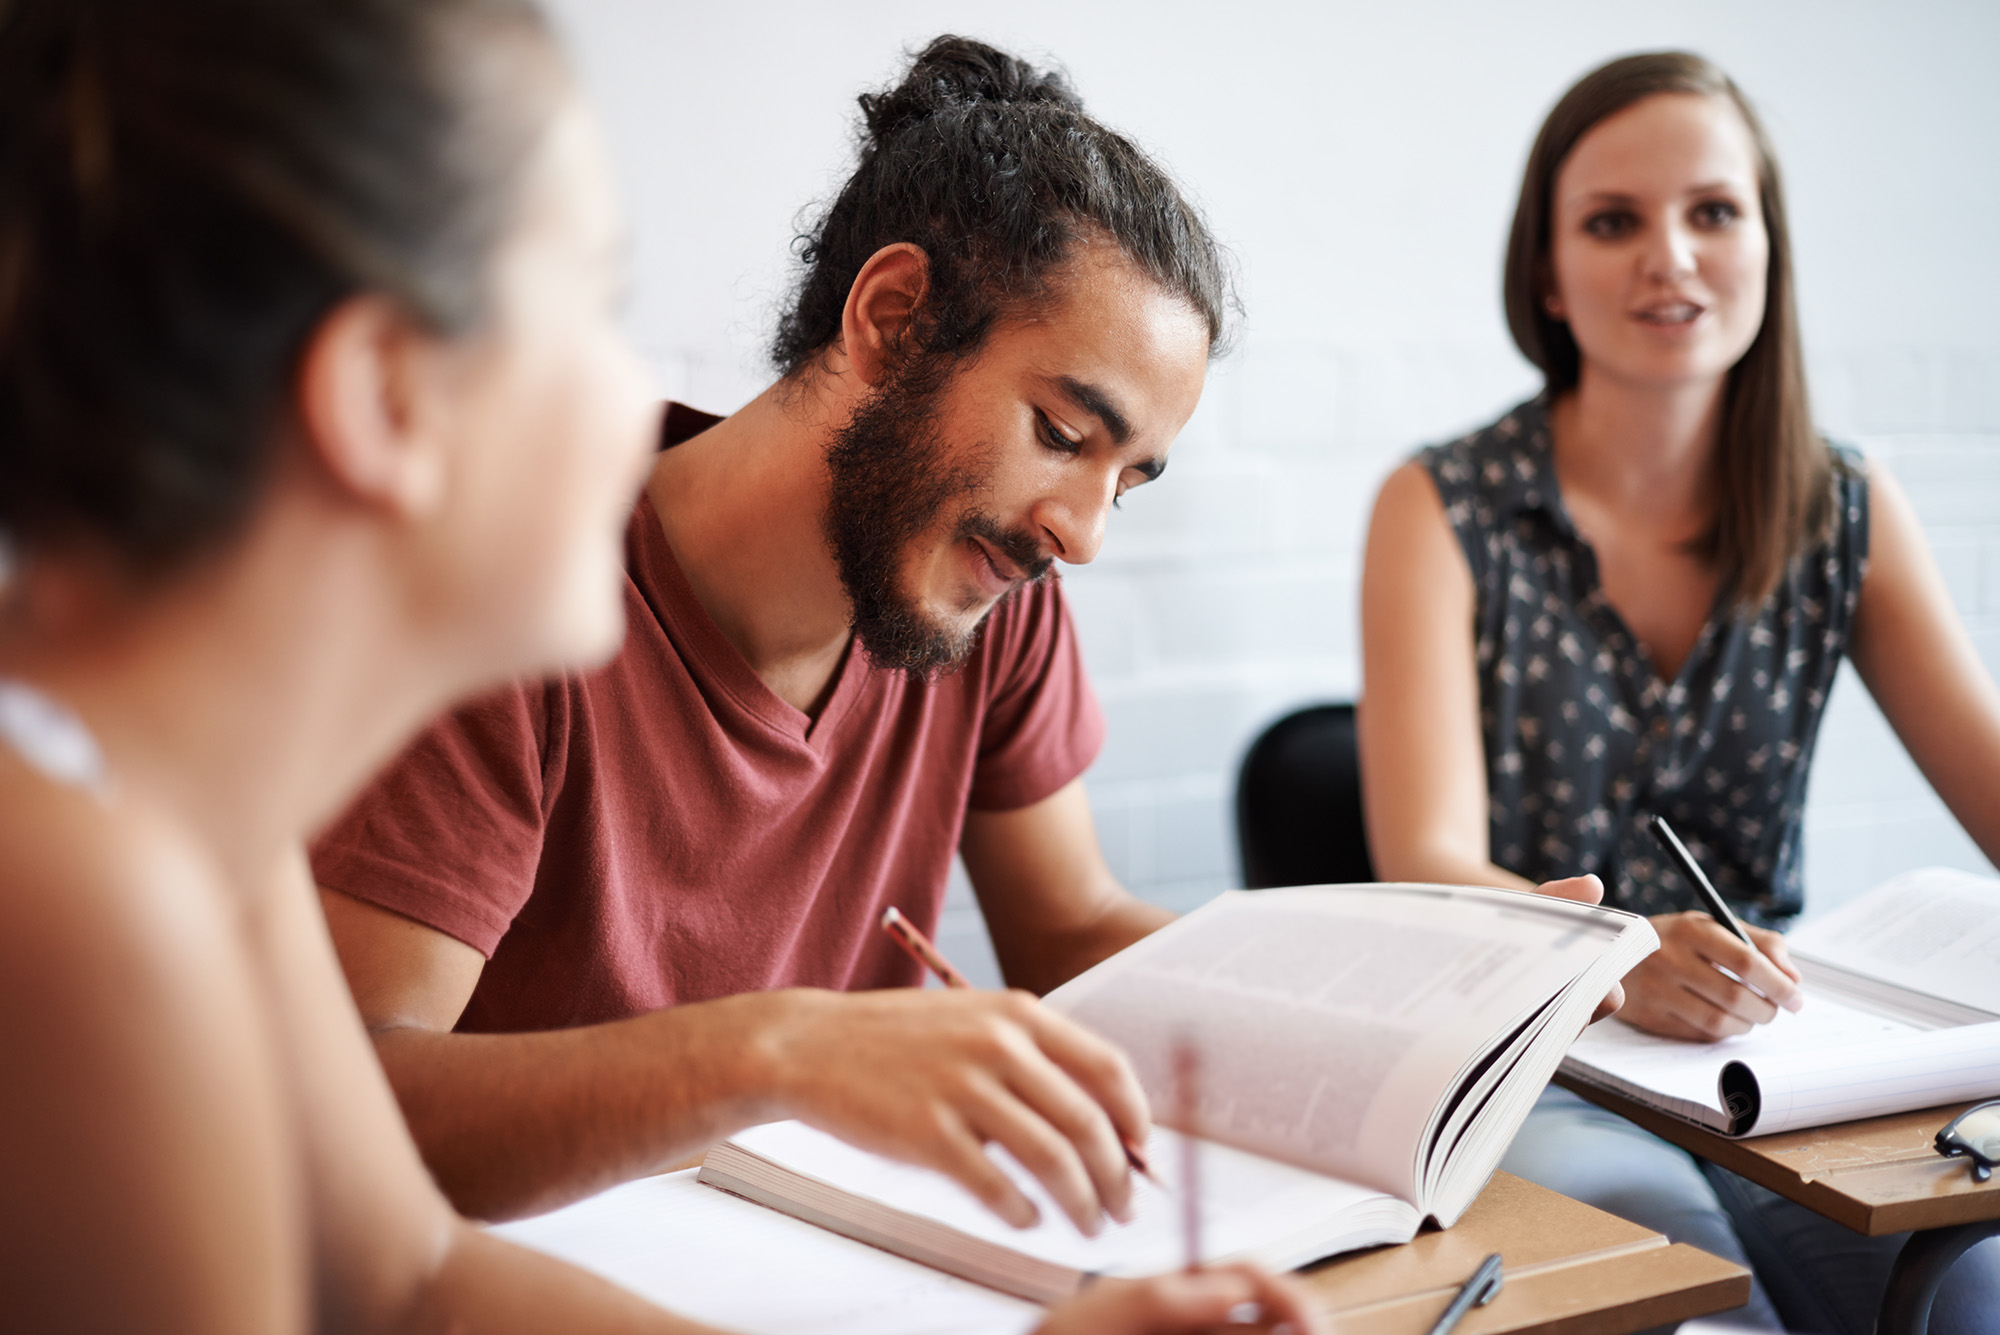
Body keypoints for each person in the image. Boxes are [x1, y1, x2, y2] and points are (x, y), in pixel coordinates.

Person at [0, 1, 1327, 1330]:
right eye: (589, 306)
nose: (641, 390)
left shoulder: (186, 820)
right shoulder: (80, 900)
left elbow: (415, 1278)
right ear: (385, 397)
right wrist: (778, 1047)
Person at [309, 32, 1617, 1234]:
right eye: (1063, 433)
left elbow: (1068, 931)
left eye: (1129, 476)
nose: (1084, 532)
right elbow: (347, 1105)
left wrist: (1408, 986)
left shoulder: (985, 591)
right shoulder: (517, 580)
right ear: (891, 319)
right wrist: (785, 1050)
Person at [1359, 50, 2000, 1335]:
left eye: (1712, 211)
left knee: (1970, 1298)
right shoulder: (1438, 506)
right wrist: (1613, 960)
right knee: (1695, 1309)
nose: (1670, 256)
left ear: (1767, 246)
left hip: (1779, 1070)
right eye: (1612, 221)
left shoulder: (1843, 509)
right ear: (1545, 274)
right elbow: (1421, 865)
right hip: (1531, 1070)